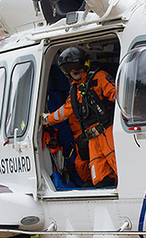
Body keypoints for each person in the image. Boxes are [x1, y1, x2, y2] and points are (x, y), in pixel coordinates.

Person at [43, 47, 118, 187]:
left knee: (122, 168)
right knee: (100, 180)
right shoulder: (74, 89)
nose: (73, 71)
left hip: (107, 132)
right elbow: (66, 111)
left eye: (75, 66)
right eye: (69, 68)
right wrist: (47, 119)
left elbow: (118, 96)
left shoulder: (99, 77)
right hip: (92, 138)